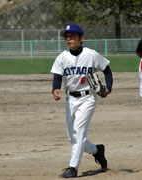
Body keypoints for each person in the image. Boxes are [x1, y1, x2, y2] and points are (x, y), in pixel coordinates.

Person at [51, 24, 113, 178]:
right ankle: (96, 151)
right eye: (67, 36)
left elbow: (106, 69)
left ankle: (73, 167)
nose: (68, 39)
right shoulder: (62, 57)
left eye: (72, 36)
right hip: (70, 99)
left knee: (79, 132)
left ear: (81, 38)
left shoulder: (90, 54)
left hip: (88, 98)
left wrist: (109, 88)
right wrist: (55, 88)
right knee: (72, 137)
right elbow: (57, 76)